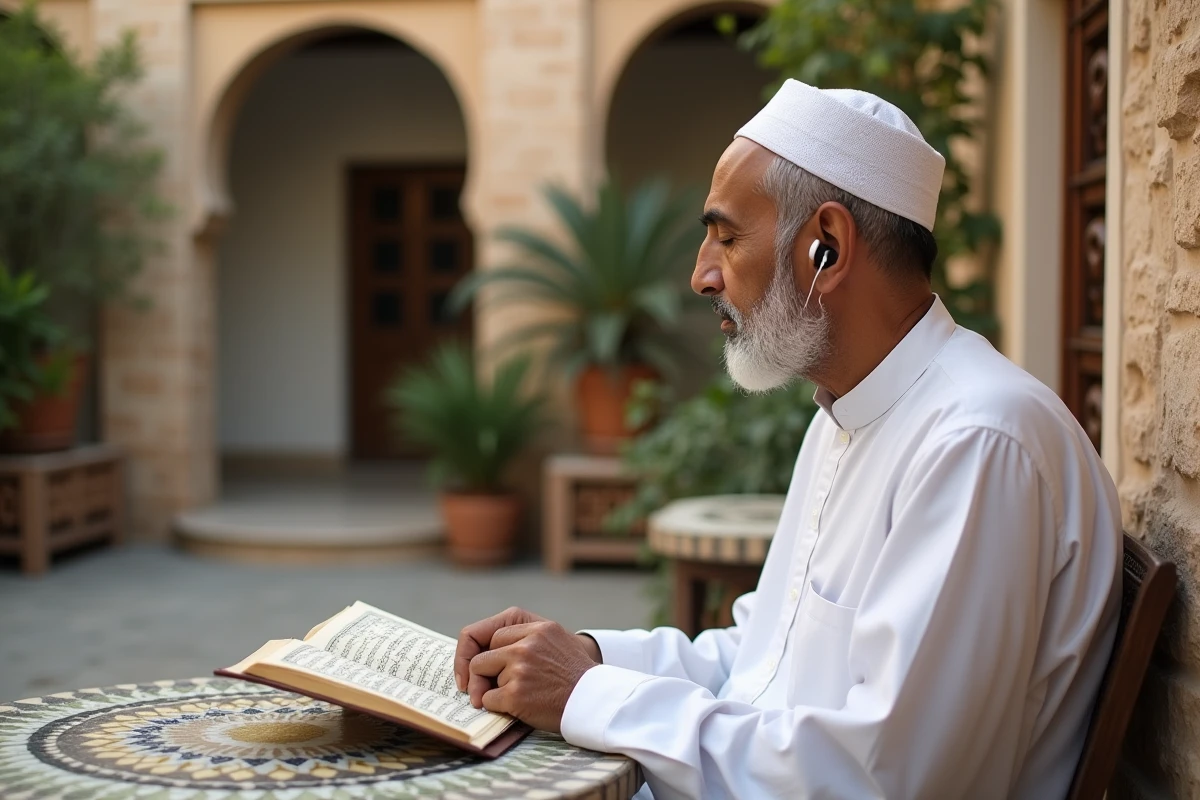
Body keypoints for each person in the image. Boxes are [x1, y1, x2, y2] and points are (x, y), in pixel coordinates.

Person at [453, 79, 1122, 799]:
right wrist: (583, 657)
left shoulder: (978, 441)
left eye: (727, 236)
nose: (701, 275)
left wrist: (587, 694)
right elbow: (761, 665)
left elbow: (885, 781)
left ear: (825, 248)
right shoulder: (847, 414)